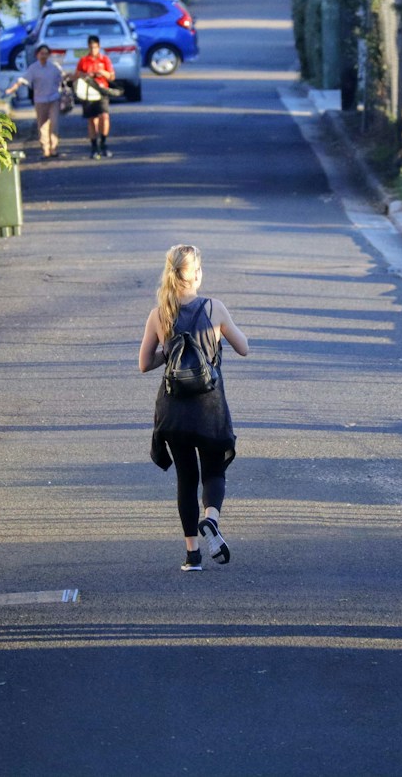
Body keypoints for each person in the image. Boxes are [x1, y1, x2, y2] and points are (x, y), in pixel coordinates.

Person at [138, 244, 250, 571]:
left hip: (174, 412)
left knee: (186, 479)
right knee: (213, 470)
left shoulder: (160, 314)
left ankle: (192, 556)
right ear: (197, 274)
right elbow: (243, 348)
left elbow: (144, 363)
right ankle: (211, 518)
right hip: (209, 408)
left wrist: (172, 352)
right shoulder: (215, 308)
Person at [5, 44, 66, 158]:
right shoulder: (33, 68)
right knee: (42, 125)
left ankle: (53, 148)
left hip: (54, 98)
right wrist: (13, 88)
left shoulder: (54, 67)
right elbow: (23, 79)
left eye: (46, 53)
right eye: (41, 53)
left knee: (54, 123)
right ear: (37, 55)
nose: (43, 56)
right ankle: (45, 149)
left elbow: (63, 78)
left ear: (49, 55)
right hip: (40, 100)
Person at [75, 35, 116, 159]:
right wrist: (86, 75)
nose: (93, 50)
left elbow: (112, 76)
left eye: (95, 47)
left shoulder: (104, 60)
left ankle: (103, 142)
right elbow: (76, 74)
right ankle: (94, 146)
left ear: (99, 47)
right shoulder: (83, 60)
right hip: (88, 91)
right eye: (91, 47)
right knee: (92, 119)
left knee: (104, 116)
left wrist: (103, 73)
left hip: (101, 90)